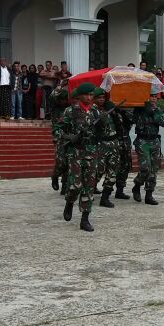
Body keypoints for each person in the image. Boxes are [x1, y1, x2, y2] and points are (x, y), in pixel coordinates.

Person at [59, 82, 100, 231]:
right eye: (86, 95)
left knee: (89, 186)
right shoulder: (70, 111)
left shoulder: (96, 112)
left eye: (91, 95)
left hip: (91, 152)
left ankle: (85, 219)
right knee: (75, 185)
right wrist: (70, 137)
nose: (89, 97)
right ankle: (69, 201)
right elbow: (57, 130)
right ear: (80, 96)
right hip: (75, 152)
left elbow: (101, 133)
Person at [131, 94, 164, 205]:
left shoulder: (158, 109)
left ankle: (149, 194)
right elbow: (135, 119)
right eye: (151, 96)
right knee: (145, 168)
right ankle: (137, 185)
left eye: (155, 97)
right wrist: (145, 110)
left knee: (153, 169)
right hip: (142, 141)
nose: (153, 98)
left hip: (154, 141)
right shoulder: (139, 109)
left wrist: (154, 113)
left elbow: (163, 123)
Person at [91, 88, 120, 208]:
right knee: (98, 171)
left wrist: (114, 113)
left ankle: (105, 197)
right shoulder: (92, 111)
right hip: (101, 145)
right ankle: (89, 191)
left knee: (112, 172)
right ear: (94, 99)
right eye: (99, 98)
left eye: (103, 98)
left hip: (113, 144)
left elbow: (119, 124)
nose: (102, 100)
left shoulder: (109, 109)